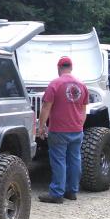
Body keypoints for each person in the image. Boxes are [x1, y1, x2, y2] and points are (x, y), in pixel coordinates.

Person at [36, 56, 88, 204]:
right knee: (75, 160)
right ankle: (72, 191)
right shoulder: (82, 85)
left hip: (59, 129)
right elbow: (84, 110)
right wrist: (80, 125)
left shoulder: (55, 84)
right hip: (77, 129)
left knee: (59, 161)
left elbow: (46, 107)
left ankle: (57, 193)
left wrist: (41, 126)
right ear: (71, 68)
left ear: (59, 68)